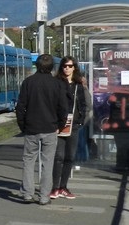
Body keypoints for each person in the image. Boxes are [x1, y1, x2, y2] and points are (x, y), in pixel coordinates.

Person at [14, 53, 68, 205]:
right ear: (52, 67)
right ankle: (44, 197)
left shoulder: (28, 82)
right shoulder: (57, 84)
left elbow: (20, 107)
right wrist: (60, 125)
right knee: (47, 163)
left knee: (28, 161)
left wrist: (23, 126)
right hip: (50, 128)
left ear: (36, 66)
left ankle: (27, 194)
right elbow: (63, 108)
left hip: (31, 128)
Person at [50, 56, 89, 200]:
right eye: (64, 66)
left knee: (70, 157)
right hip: (60, 123)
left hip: (74, 124)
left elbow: (84, 103)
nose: (67, 68)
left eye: (70, 66)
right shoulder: (57, 82)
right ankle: (55, 187)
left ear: (74, 68)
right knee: (59, 156)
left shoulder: (79, 84)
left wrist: (81, 119)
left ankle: (63, 186)